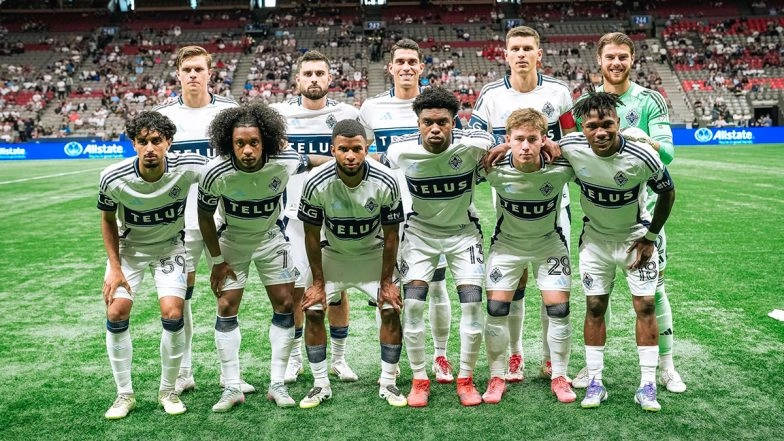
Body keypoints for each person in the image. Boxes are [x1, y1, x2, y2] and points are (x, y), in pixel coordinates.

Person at [570, 32, 686, 394]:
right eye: (610, 57)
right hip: (602, 219)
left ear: (632, 60)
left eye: (623, 57)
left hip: (645, 215)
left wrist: (643, 140)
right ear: (599, 61)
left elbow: (667, 154)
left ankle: (666, 366)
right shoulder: (587, 103)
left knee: (655, 293)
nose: (616, 63)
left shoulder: (650, 100)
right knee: (594, 300)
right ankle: (592, 370)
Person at [197, 103, 330, 411]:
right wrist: (217, 262)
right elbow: (205, 218)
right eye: (239, 143)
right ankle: (231, 386)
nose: (247, 150)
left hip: (271, 239)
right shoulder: (215, 172)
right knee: (227, 305)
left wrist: (347, 159)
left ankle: (277, 384)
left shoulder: (283, 159)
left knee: (285, 304)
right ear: (228, 143)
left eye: (254, 142)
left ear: (265, 141)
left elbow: (315, 160)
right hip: (232, 241)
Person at [469, 25, 576, 382]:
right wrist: (495, 146)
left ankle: (550, 359)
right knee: (514, 283)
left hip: (552, 201)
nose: (521, 54)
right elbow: (474, 140)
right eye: (514, 48)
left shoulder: (559, 92)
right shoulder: (491, 95)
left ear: (538, 54)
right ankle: (515, 355)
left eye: (527, 48)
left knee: (552, 284)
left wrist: (559, 147)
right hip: (509, 201)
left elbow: (573, 134)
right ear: (505, 54)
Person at [378, 87, 496, 407]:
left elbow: (498, 145)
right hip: (420, 234)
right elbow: (373, 169)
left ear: (453, 122)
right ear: (417, 123)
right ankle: (419, 378)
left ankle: (466, 378)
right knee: (414, 305)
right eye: (427, 122)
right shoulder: (400, 151)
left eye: (442, 122)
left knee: (472, 304)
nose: (434, 128)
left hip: (463, 233)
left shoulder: (473, 145)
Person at [560, 92, 676, 412]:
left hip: (634, 241)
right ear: (582, 128)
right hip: (595, 243)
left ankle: (648, 384)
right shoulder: (571, 148)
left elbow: (668, 192)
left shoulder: (642, 156)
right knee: (595, 307)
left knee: (646, 306)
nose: (601, 132)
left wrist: (651, 236)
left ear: (619, 123)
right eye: (592, 126)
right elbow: (542, 148)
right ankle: (595, 381)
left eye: (607, 124)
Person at [152, 45, 255, 396]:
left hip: (224, 219)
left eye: (199, 69)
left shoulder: (230, 112)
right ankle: (183, 372)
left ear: (211, 73)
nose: (193, 75)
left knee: (227, 296)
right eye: (187, 70)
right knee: (183, 296)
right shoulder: (162, 116)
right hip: (179, 223)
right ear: (178, 74)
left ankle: (231, 376)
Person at [99, 111, 207, 419]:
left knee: (173, 312)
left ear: (168, 143)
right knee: (116, 311)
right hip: (129, 250)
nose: (150, 148)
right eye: (143, 141)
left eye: (156, 141)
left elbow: (222, 173)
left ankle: (168, 390)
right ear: (133, 143)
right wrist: (115, 267)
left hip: (169, 247)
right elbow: (107, 220)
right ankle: (124, 395)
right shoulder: (113, 177)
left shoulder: (187, 167)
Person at [360, 38, 455, 383]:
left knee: (438, 286)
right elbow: (363, 154)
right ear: (390, 67)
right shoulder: (371, 108)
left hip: (430, 209)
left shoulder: (434, 104)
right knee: (385, 286)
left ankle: (441, 356)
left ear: (421, 67)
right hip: (384, 209)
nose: (406, 67)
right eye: (400, 61)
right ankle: (392, 360)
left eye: (412, 61)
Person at [297, 119, 407, 408]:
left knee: (391, 309)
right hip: (333, 255)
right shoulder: (315, 181)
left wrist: (386, 282)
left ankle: (388, 382)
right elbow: (310, 234)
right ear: (332, 149)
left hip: (373, 254)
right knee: (313, 310)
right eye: (343, 149)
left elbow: (392, 234)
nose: (350, 156)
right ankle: (320, 384)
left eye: (357, 149)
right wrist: (318, 283)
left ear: (366, 149)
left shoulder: (385, 180)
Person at [270, 51, 362, 385]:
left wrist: (310, 159)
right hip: (293, 216)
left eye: (319, 73)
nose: (313, 79)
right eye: (307, 73)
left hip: (337, 215)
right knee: (294, 290)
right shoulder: (279, 115)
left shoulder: (348, 113)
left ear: (329, 78)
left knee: (336, 292)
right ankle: (294, 361)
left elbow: (362, 158)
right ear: (297, 79)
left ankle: (339, 359)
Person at [478, 108, 576, 404]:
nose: (525, 146)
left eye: (532, 139)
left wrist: (564, 147)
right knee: (496, 310)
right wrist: (491, 147)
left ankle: (559, 374)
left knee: (559, 311)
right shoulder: (493, 168)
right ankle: (496, 376)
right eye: (518, 139)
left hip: (549, 246)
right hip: (506, 246)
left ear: (543, 140)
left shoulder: (562, 167)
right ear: (507, 139)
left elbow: (588, 149)